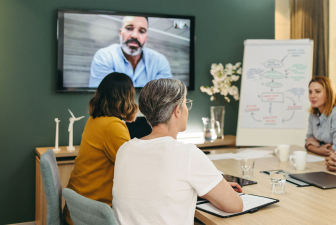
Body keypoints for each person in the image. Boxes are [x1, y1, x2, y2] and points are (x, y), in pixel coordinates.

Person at [112, 79, 243, 224]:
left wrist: (207, 187)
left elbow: (149, 192)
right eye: (186, 104)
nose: (187, 109)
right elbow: (235, 205)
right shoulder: (186, 153)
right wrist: (212, 190)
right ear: (177, 110)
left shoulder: (125, 149)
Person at [63, 72, 138, 224]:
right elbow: (134, 168)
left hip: (77, 209)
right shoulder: (112, 125)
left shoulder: (94, 120)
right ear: (126, 97)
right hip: (94, 214)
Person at [89, 16, 172, 87]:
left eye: (141, 31)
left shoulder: (160, 61)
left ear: (145, 38)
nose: (135, 36)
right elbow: (101, 98)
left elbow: (166, 98)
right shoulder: (104, 56)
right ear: (120, 33)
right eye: (129, 28)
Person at [305, 76, 336, 156]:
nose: (312, 96)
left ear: (328, 93)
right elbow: (308, 141)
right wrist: (319, 149)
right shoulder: (313, 112)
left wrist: (316, 147)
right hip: (323, 158)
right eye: (310, 92)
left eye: (317, 91)